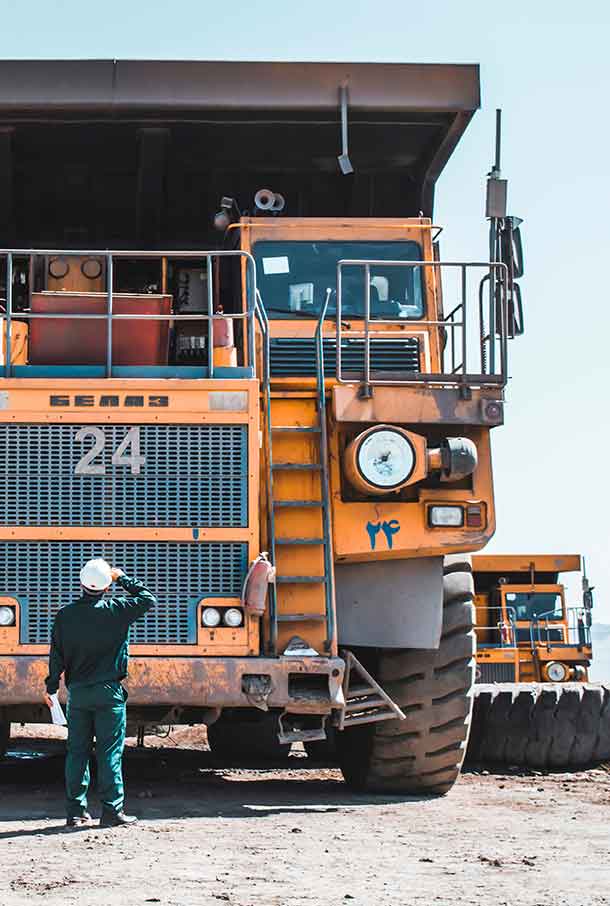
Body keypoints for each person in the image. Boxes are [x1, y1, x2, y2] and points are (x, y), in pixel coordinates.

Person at [44, 559, 157, 829]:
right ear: (107, 587)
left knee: (77, 753)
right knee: (109, 753)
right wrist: (122, 577)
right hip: (109, 694)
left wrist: (51, 688)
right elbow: (148, 598)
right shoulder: (117, 610)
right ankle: (111, 812)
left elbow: (56, 656)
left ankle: (75, 813)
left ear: (81, 583)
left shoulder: (65, 615)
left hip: (78, 694)